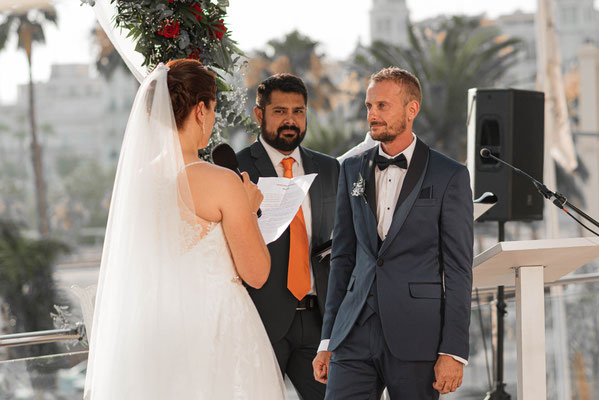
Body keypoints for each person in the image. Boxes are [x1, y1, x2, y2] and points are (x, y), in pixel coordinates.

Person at [84, 59, 286, 399]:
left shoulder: (138, 181)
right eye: (213, 108)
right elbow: (256, 273)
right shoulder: (221, 182)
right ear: (201, 110)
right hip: (217, 333)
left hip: (156, 336)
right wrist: (249, 211)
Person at [313, 67, 473, 399]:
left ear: (411, 109)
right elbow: (343, 259)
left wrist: (453, 350)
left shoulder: (449, 175)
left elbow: (458, 270)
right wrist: (328, 339)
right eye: (369, 106)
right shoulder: (351, 168)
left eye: (382, 106)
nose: (372, 114)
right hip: (353, 332)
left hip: (417, 335)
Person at [237, 73, 339, 399]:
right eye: (280, 111)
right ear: (259, 114)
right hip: (261, 321)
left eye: (298, 111)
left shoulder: (330, 169)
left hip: (318, 320)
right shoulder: (234, 170)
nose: (290, 120)